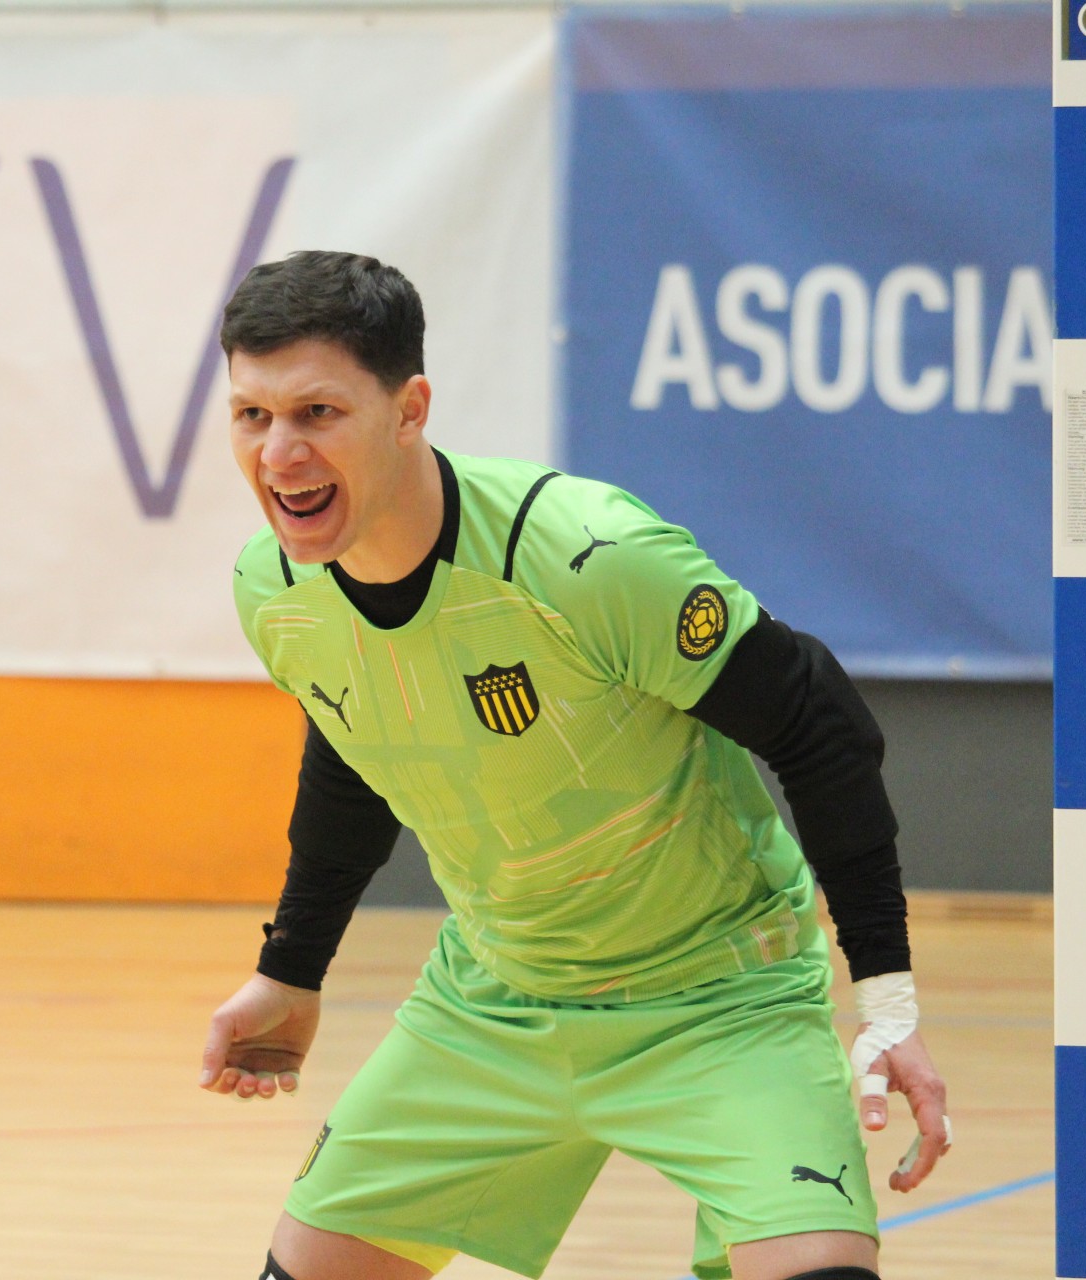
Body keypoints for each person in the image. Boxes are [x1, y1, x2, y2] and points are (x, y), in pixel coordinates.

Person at [199, 250, 949, 1280]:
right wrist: (291, 968)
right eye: (251, 415)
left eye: (317, 412)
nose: (279, 452)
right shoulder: (274, 588)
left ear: (409, 406)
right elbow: (356, 738)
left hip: (721, 999)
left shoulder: (587, 558)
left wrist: (889, 996)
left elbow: (818, 719)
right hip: (496, 995)